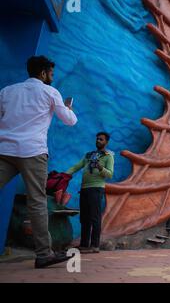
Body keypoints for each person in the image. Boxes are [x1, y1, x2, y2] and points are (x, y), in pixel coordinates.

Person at [0, 56, 77, 268]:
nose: (52, 78)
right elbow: (70, 121)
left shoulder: (7, 91)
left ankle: (45, 253)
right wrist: (68, 108)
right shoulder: (50, 92)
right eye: (51, 74)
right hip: (33, 152)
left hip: (4, 150)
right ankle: (44, 254)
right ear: (43, 73)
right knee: (37, 202)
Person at [66, 132, 114, 253]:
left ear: (106, 142)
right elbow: (77, 166)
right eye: (97, 139)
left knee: (95, 217)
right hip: (84, 189)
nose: (98, 141)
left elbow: (109, 174)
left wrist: (100, 167)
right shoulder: (89, 155)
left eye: (101, 139)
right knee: (85, 217)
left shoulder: (108, 156)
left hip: (97, 189)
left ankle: (95, 246)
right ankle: (84, 244)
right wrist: (64, 175)